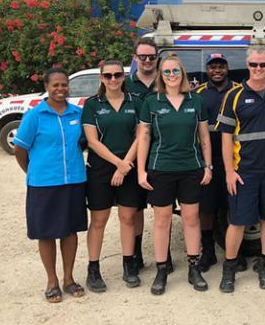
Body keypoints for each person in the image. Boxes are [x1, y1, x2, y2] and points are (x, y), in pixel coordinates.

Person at [137, 53, 213, 295]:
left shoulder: (195, 100)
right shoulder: (152, 101)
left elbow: (204, 137)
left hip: (191, 168)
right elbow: (144, 138)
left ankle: (193, 268)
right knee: (162, 221)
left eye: (175, 71)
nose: (171, 75)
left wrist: (208, 166)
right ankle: (161, 270)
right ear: (161, 75)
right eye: (167, 71)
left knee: (191, 219)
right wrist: (141, 171)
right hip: (161, 169)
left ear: (183, 73)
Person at [13, 67, 87, 303]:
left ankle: (69, 278)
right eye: (55, 85)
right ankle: (52, 281)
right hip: (43, 184)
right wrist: (34, 171)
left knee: (70, 230)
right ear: (46, 86)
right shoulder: (35, 116)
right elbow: (20, 149)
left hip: (74, 180)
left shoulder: (77, 113)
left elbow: (84, 143)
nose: (60, 89)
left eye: (64, 84)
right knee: (46, 233)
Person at [216, 46, 265, 293]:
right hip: (243, 172)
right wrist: (229, 172)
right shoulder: (233, 96)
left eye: (263, 65)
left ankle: (264, 266)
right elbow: (225, 139)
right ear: (247, 66)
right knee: (237, 222)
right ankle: (229, 268)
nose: (258, 69)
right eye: (254, 65)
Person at [82, 60, 145, 292]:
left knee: (128, 218)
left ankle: (129, 265)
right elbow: (92, 141)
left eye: (117, 75)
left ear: (124, 77)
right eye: (107, 76)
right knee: (99, 220)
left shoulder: (135, 102)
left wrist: (125, 165)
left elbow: (141, 137)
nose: (113, 80)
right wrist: (118, 164)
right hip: (101, 168)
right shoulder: (92, 104)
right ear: (101, 78)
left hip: (128, 165)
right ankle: (93, 268)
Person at [194, 53, 239, 273]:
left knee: (234, 207)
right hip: (208, 162)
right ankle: (209, 252)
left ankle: (235, 253)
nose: (217, 70)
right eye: (213, 67)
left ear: (227, 68)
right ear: (207, 69)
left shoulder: (238, 90)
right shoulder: (199, 94)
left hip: (234, 161)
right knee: (207, 209)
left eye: (221, 65)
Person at [125, 37, 159, 269]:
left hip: (160, 154)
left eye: (151, 56)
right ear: (135, 58)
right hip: (133, 154)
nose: (147, 61)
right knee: (135, 208)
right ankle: (135, 255)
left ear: (158, 58)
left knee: (162, 208)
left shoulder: (167, 81)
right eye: (143, 56)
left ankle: (162, 254)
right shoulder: (125, 85)